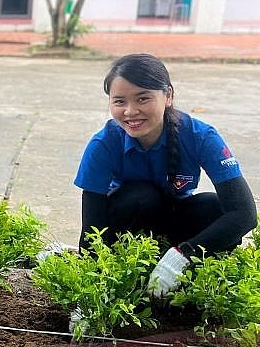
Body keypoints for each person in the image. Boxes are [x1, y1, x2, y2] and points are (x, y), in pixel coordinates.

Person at [75, 53, 257, 297]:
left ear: (168, 96)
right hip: (130, 226)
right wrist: (87, 296)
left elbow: (244, 214)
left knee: (214, 207)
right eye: (119, 101)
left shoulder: (201, 136)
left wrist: (183, 255)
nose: (130, 111)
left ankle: (186, 289)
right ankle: (132, 284)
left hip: (177, 229)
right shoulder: (103, 144)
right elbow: (92, 231)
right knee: (142, 196)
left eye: (143, 98)